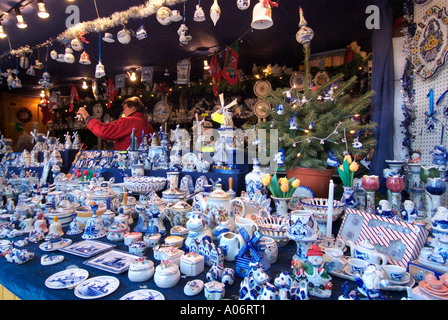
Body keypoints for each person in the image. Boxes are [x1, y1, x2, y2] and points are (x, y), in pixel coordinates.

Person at [77, 97, 154, 150]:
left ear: (133, 108)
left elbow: (104, 131)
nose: (123, 111)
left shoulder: (129, 121)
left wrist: (87, 117)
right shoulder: (147, 124)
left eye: (125, 108)